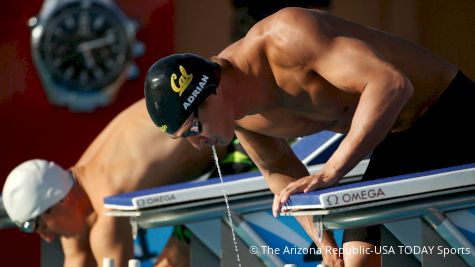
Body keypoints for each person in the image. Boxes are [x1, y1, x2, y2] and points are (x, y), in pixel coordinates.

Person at [143, 7, 475, 267]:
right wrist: (323, 240)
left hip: (451, 111)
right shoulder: (240, 115)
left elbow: (391, 84)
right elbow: (277, 166)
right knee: (355, 260)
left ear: (211, 93)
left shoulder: (285, 38)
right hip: (399, 137)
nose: (196, 143)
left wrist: (332, 171)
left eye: (194, 129)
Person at [2, 98, 239, 267]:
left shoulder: (107, 206)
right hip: (214, 142)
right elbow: (76, 257)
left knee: (173, 260)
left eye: (43, 227)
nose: (49, 238)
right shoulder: (78, 183)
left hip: (239, 131)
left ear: (63, 200)